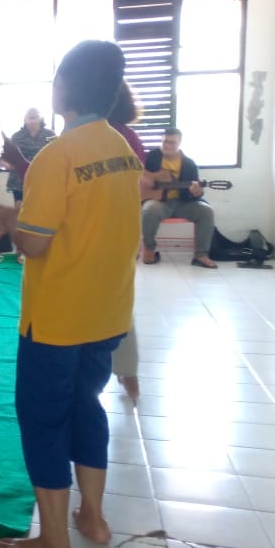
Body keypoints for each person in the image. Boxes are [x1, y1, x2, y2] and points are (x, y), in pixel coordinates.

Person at [0, 40, 142, 548]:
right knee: (87, 406)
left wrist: (11, 223)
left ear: (64, 88)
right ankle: (92, 517)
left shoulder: (58, 155)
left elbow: (36, 242)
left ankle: (54, 544)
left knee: (44, 420)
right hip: (107, 310)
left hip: (57, 318)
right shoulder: (122, 149)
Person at [107, 82, 148, 399]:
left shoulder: (115, 137)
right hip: (120, 228)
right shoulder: (126, 136)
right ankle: (127, 371)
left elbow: (136, 186)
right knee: (117, 301)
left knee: (115, 302)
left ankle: (128, 371)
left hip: (110, 229)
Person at [140, 128, 218, 268]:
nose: (167, 145)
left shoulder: (189, 164)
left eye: (172, 142)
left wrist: (197, 192)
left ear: (179, 143)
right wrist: (146, 180)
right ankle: (149, 250)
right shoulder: (152, 156)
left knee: (206, 211)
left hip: (183, 203)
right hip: (159, 202)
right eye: (165, 141)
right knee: (150, 209)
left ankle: (201, 255)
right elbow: (138, 171)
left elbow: (195, 194)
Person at [5, 108, 55, 203]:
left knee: (42, 209)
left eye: (35, 113)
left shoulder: (50, 134)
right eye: (29, 114)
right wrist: (8, 163)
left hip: (43, 181)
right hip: (19, 183)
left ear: (41, 118)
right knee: (21, 210)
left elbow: (56, 157)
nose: (32, 114)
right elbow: (8, 158)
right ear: (24, 119)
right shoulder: (16, 136)